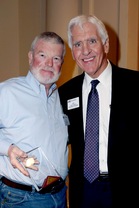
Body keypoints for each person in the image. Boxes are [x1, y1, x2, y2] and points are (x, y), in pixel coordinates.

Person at [58, 14, 139, 208]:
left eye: (92, 41)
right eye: (77, 44)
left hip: (127, 190)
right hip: (83, 192)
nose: (85, 51)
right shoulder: (65, 93)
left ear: (106, 45)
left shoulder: (135, 85)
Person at [0, 31, 69, 208]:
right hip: (22, 198)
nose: (49, 64)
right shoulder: (7, 92)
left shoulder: (59, 97)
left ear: (62, 63)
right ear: (30, 57)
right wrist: (8, 149)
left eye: (56, 58)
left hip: (59, 196)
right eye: (42, 55)